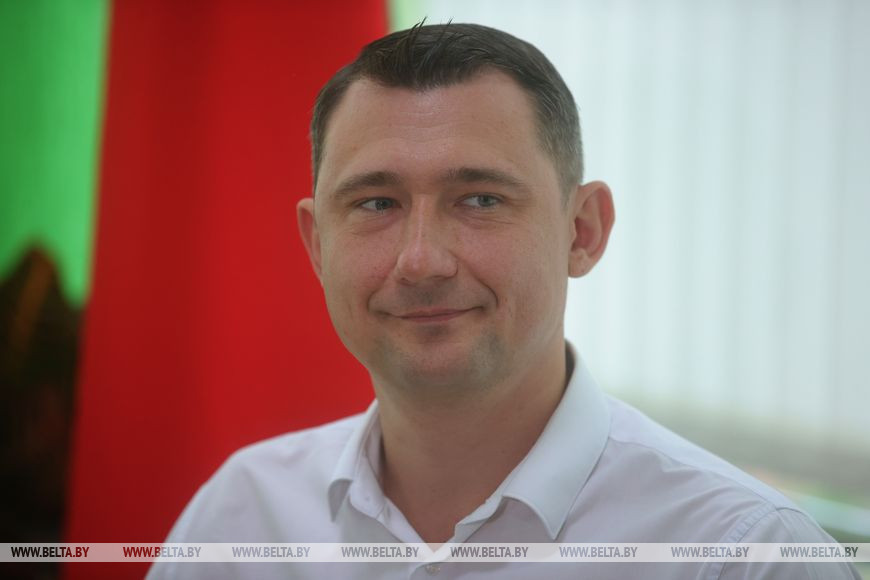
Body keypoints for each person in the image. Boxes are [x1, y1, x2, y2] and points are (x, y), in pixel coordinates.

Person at [148, 23, 860, 579]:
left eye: (480, 199)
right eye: (376, 203)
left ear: (583, 232)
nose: (421, 261)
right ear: (317, 246)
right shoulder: (242, 517)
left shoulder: (742, 555)